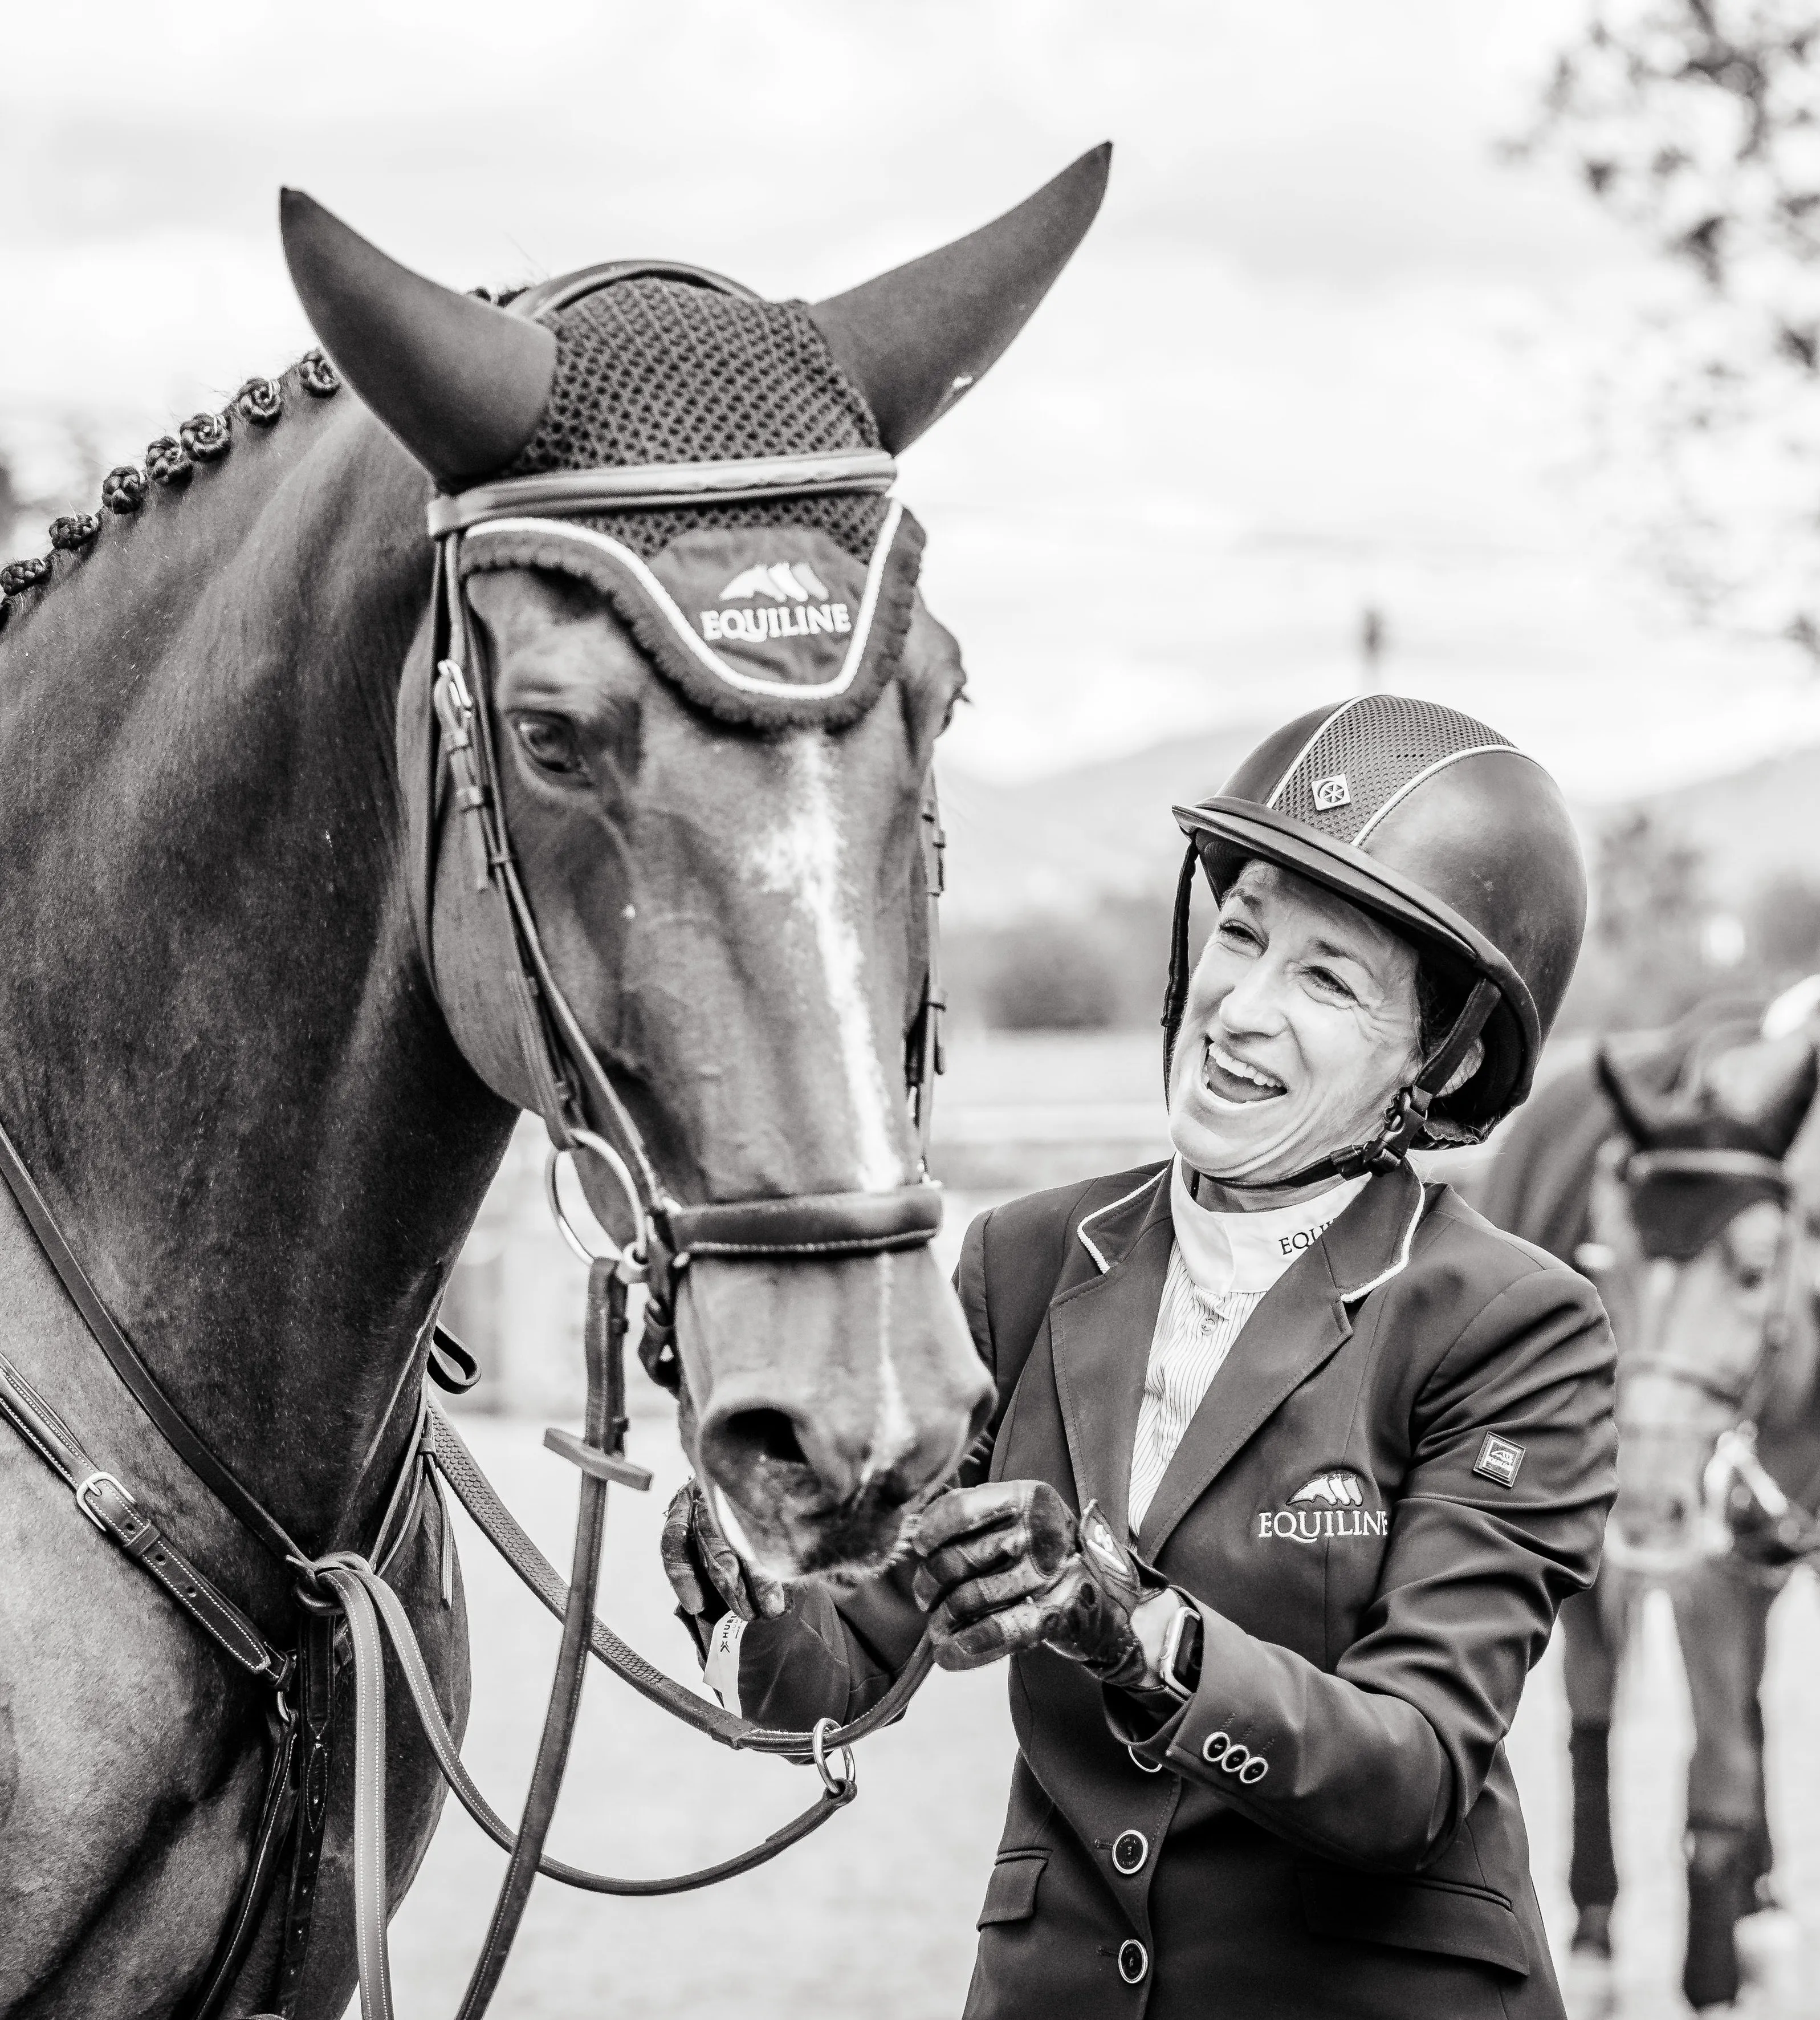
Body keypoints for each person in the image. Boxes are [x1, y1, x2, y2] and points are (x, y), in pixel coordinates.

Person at [662, 695, 1617, 2019]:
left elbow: (1414, 1772)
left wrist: (1132, 1625)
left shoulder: (1516, 1325)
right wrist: (759, 1566)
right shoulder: (1022, 1260)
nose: (1240, 1008)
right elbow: (837, 1674)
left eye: (1327, 980)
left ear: (1437, 1063)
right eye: (1241, 936)